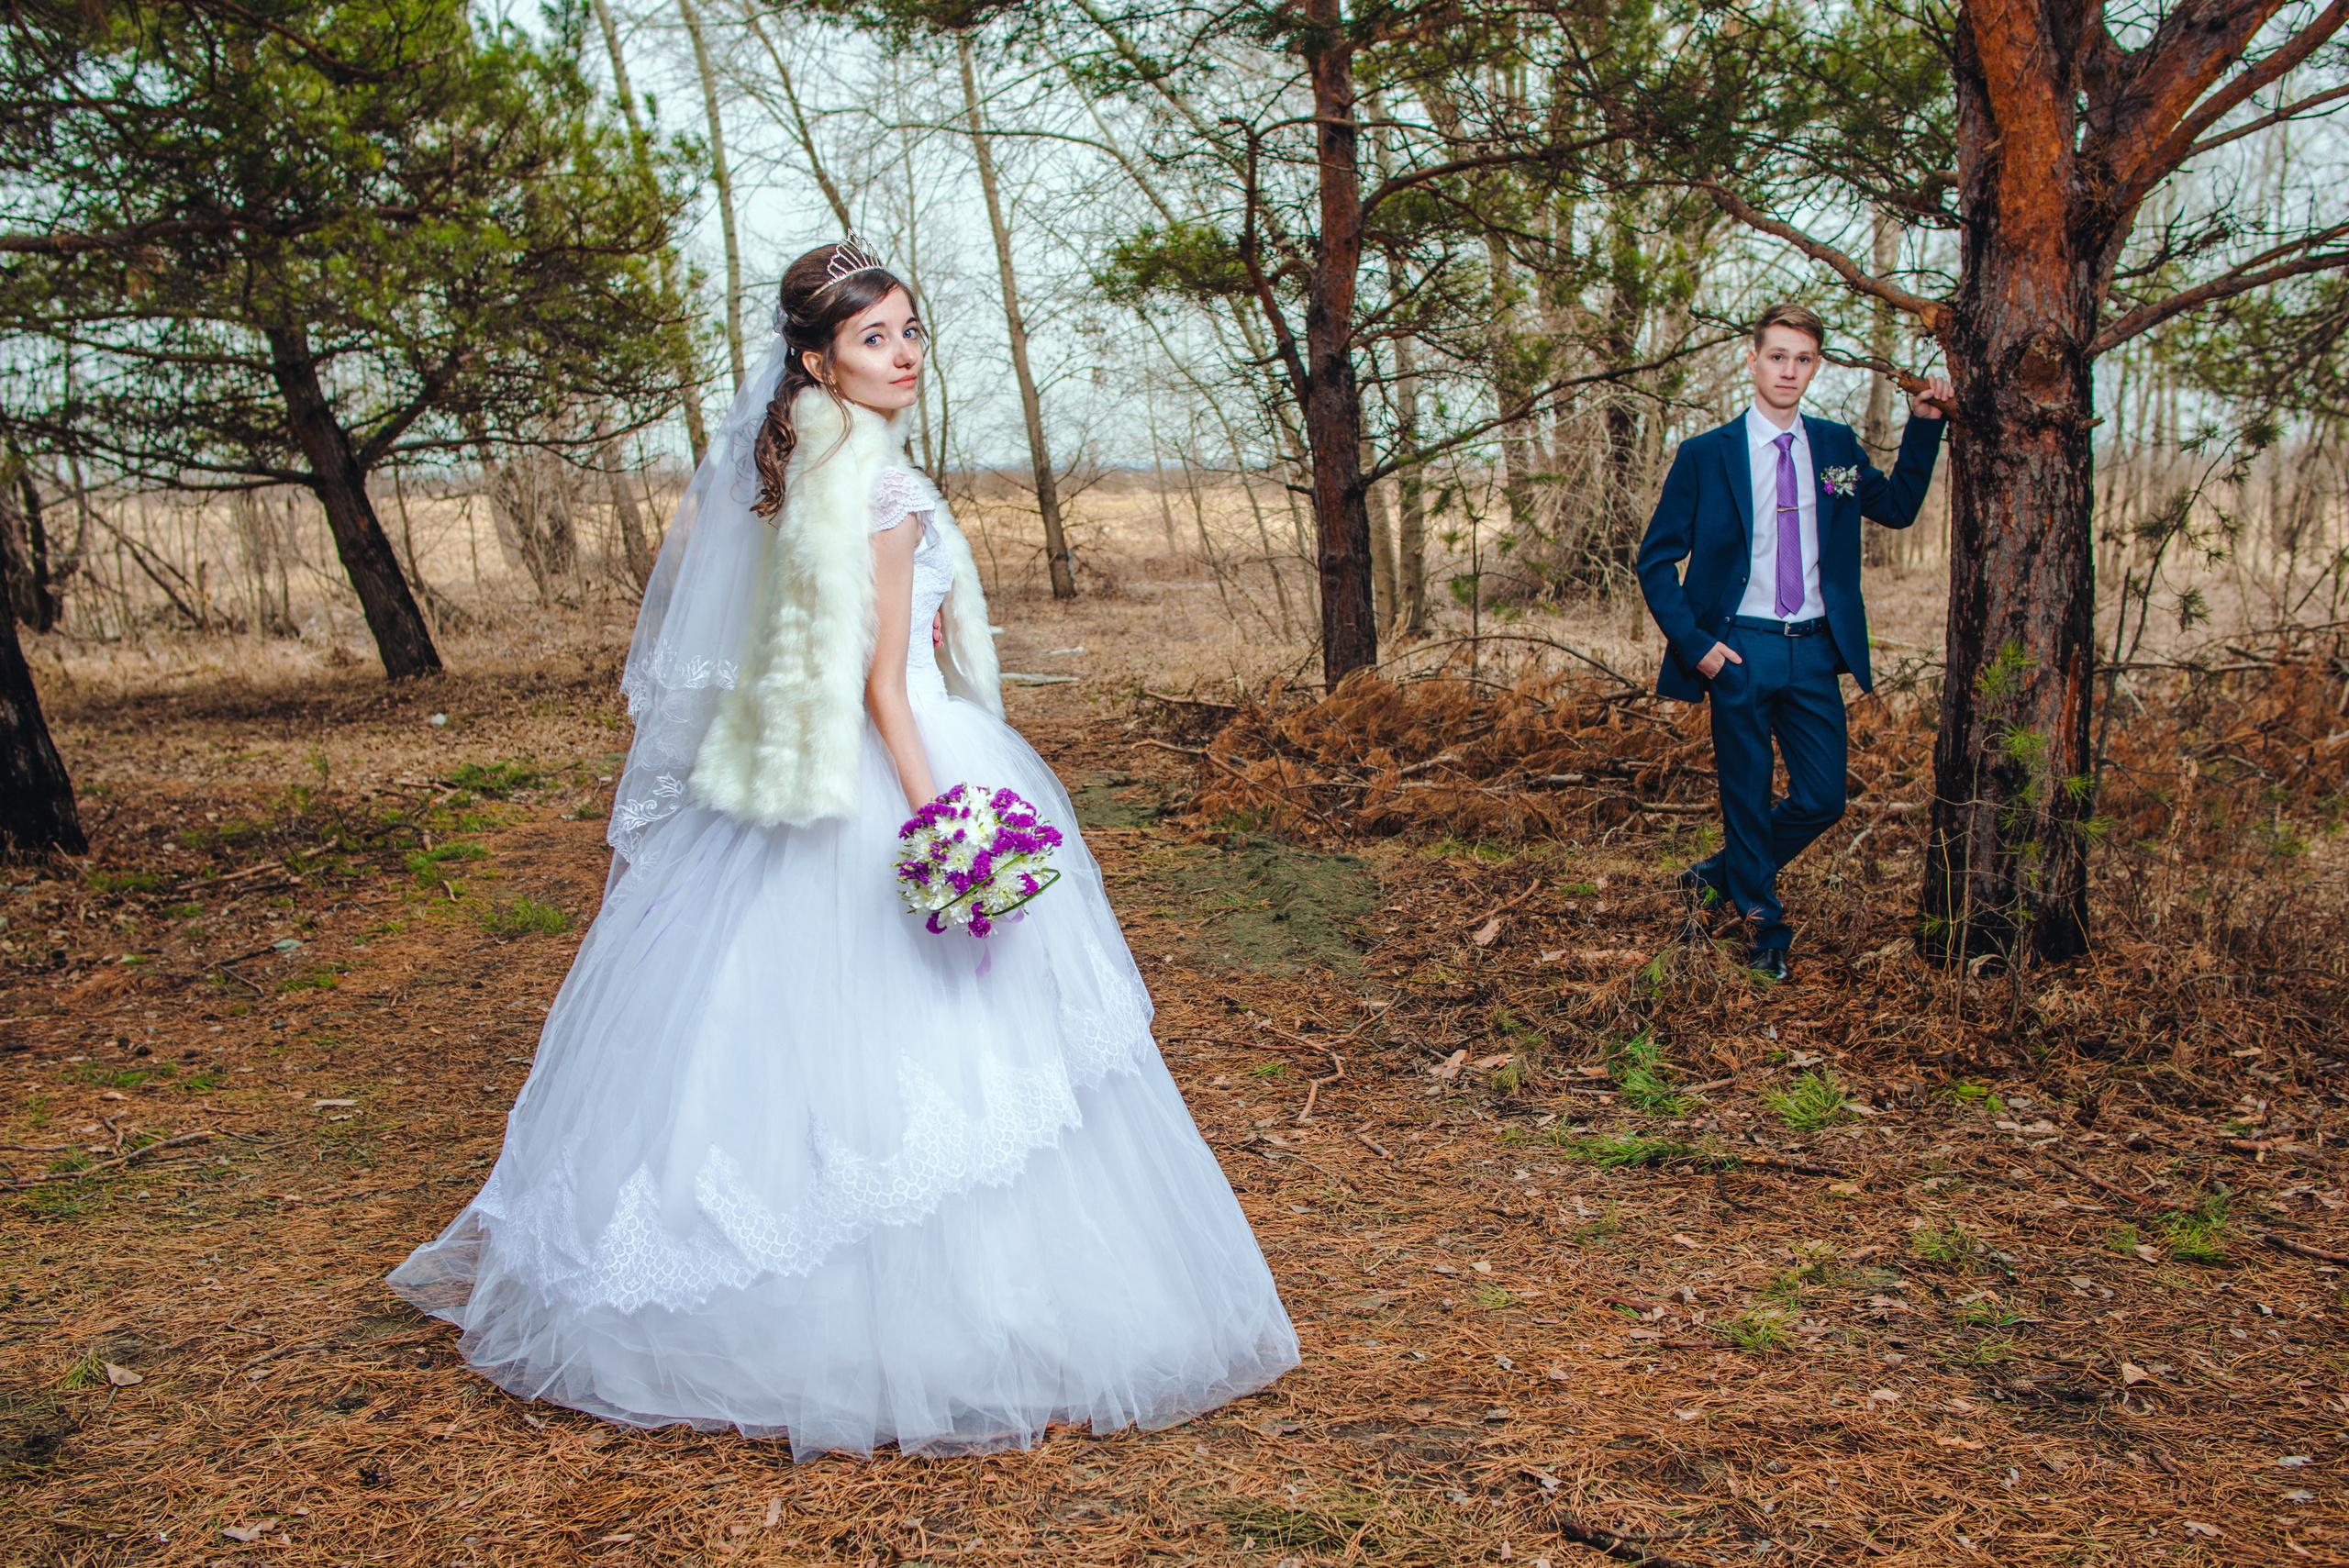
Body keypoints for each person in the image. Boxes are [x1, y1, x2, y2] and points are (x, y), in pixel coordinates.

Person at [387, 239, 1299, 1457]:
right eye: (875, 338)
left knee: (775, 1037)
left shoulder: (793, 472)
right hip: (905, 758)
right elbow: (882, 688)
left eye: (911, 329)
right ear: (819, 361)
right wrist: (945, 822)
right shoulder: (882, 492)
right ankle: (974, 1321)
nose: (904, 353)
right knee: (954, 1050)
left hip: (805, 776)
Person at [1635, 303, 1954, 981]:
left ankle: (1715, 877)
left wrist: (1925, 424)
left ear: (1816, 367)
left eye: (1802, 359)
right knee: (1746, 796)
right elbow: (1655, 561)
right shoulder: (1706, 456)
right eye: (1777, 356)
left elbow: (1896, 507)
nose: (1788, 370)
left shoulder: (1833, 450)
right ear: (1753, 361)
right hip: (1737, 652)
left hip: (1812, 650)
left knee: (1823, 797)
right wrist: (1698, 646)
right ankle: (1764, 931)